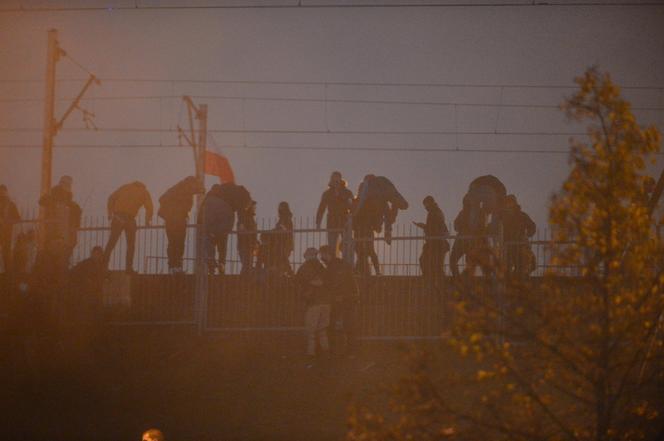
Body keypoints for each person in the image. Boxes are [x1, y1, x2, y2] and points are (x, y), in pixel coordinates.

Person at [103, 181, 153, 273]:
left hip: (118, 217)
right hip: (130, 219)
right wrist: (147, 220)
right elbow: (149, 207)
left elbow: (111, 198)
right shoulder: (144, 191)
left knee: (111, 243)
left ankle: (103, 266)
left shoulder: (125, 187)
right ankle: (128, 268)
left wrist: (110, 213)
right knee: (131, 245)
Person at [158, 176, 204, 273]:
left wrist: (168, 212)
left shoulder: (176, 188)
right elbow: (195, 190)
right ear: (191, 182)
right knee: (179, 243)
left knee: (172, 243)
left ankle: (172, 266)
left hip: (170, 219)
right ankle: (177, 266)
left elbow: (161, 198)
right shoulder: (186, 187)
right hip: (178, 219)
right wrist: (201, 189)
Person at [319, 244, 359, 356]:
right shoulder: (338, 264)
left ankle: (336, 351)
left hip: (342, 299)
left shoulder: (334, 266)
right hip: (347, 298)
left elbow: (335, 283)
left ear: (327, 254)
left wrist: (324, 284)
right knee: (347, 325)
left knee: (336, 325)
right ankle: (349, 351)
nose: (321, 258)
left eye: (322, 255)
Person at [295, 247, 331, 358]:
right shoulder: (323, 268)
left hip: (313, 302)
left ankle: (311, 352)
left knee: (311, 331)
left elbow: (298, 282)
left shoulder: (304, 268)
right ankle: (326, 351)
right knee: (322, 330)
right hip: (326, 302)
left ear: (307, 255)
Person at [491, 194, 536, 277]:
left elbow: (532, 226)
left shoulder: (521, 215)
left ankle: (519, 279)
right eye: (507, 202)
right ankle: (510, 281)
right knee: (507, 266)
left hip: (519, 243)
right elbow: (493, 225)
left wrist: (529, 233)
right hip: (507, 244)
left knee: (522, 265)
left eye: (511, 202)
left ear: (514, 203)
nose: (509, 204)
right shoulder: (502, 215)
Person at [355, 174, 408, 245]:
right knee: (389, 212)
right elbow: (393, 195)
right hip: (380, 204)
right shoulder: (381, 182)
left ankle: (383, 230)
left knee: (386, 213)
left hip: (372, 208)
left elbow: (361, 199)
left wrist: (355, 212)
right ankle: (386, 232)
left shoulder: (366, 185)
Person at [39, 175, 82, 262]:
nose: (68, 186)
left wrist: (75, 226)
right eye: (66, 184)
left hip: (64, 234)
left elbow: (77, 214)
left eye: (69, 184)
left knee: (60, 257)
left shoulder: (71, 204)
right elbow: (42, 201)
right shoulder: (53, 196)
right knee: (56, 257)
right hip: (55, 233)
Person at [413, 195, 449, 289]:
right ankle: (435, 284)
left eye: (426, 205)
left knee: (428, 262)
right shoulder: (436, 212)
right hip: (435, 242)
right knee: (435, 265)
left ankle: (432, 283)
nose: (425, 208)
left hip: (435, 243)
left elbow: (434, 228)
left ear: (430, 203)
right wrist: (424, 226)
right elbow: (437, 227)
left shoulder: (434, 212)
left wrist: (424, 227)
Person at [316, 171, 354, 257]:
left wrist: (351, 220)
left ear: (341, 180)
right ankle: (333, 264)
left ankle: (346, 265)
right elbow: (321, 208)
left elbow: (352, 207)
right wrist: (318, 222)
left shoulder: (347, 193)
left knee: (347, 245)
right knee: (332, 246)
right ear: (331, 180)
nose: (336, 181)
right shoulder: (327, 194)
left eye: (337, 179)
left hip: (344, 222)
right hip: (332, 222)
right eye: (334, 179)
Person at [199, 184, 235, 275]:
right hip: (223, 229)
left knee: (210, 247)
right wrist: (228, 228)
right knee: (222, 248)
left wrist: (204, 227)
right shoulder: (225, 200)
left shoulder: (209, 200)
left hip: (212, 229)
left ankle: (212, 267)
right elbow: (231, 215)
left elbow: (203, 215)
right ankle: (221, 264)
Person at [0, 185, 20, 273]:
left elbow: (17, 218)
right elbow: (17, 218)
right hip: (7, 231)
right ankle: (7, 271)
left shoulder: (11, 204)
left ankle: (7, 271)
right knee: (6, 252)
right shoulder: (11, 204)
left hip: (7, 231)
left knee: (6, 252)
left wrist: (8, 221)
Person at [237, 200, 259, 275]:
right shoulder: (244, 218)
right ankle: (243, 281)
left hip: (249, 245)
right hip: (245, 245)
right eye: (253, 206)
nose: (255, 208)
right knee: (247, 265)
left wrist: (255, 242)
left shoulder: (250, 219)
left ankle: (244, 280)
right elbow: (242, 231)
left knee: (247, 265)